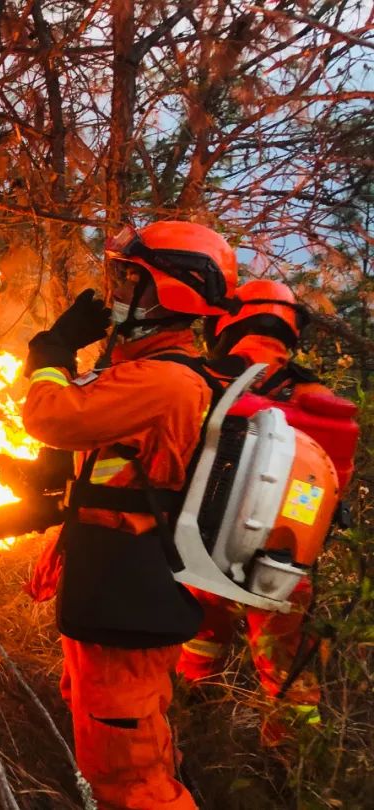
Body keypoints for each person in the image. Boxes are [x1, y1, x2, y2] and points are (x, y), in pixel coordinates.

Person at [20, 220, 239, 810]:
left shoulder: (166, 381)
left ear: (169, 294)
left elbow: (52, 416)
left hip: (127, 603)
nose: (114, 291)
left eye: (129, 280)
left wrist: (51, 351)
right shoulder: (148, 371)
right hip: (116, 597)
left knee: (131, 779)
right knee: (125, 750)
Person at [177, 279, 359, 745]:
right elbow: (333, 484)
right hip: (285, 565)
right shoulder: (318, 396)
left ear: (227, 321)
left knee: (194, 649)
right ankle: (292, 760)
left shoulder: (213, 377)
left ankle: (187, 731)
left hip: (203, 549)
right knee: (289, 676)